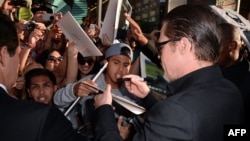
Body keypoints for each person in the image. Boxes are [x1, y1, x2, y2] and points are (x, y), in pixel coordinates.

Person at [92, 5, 245, 141]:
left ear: (183, 46)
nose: (159, 55)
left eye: (161, 47)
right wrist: (147, 98)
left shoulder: (175, 112)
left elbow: (177, 119)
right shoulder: (231, 91)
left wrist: (103, 111)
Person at [0, 12, 87, 141]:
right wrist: (105, 114)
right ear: (3, 55)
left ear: (54, 87)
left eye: (46, 85)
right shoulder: (41, 118)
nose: (18, 62)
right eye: (18, 54)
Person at [53, 43, 139, 137]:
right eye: (116, 62)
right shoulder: (91, 81)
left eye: (126, 65)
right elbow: (57, 101)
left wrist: (128, 134)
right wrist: (73, 90)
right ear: (106, 63)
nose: (121, 69)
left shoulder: (133, 92)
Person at [218, 22, 250, 125]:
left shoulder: (246, 83)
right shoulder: (210, 69)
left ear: (231, 46)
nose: (209, 51)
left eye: (215, 45)